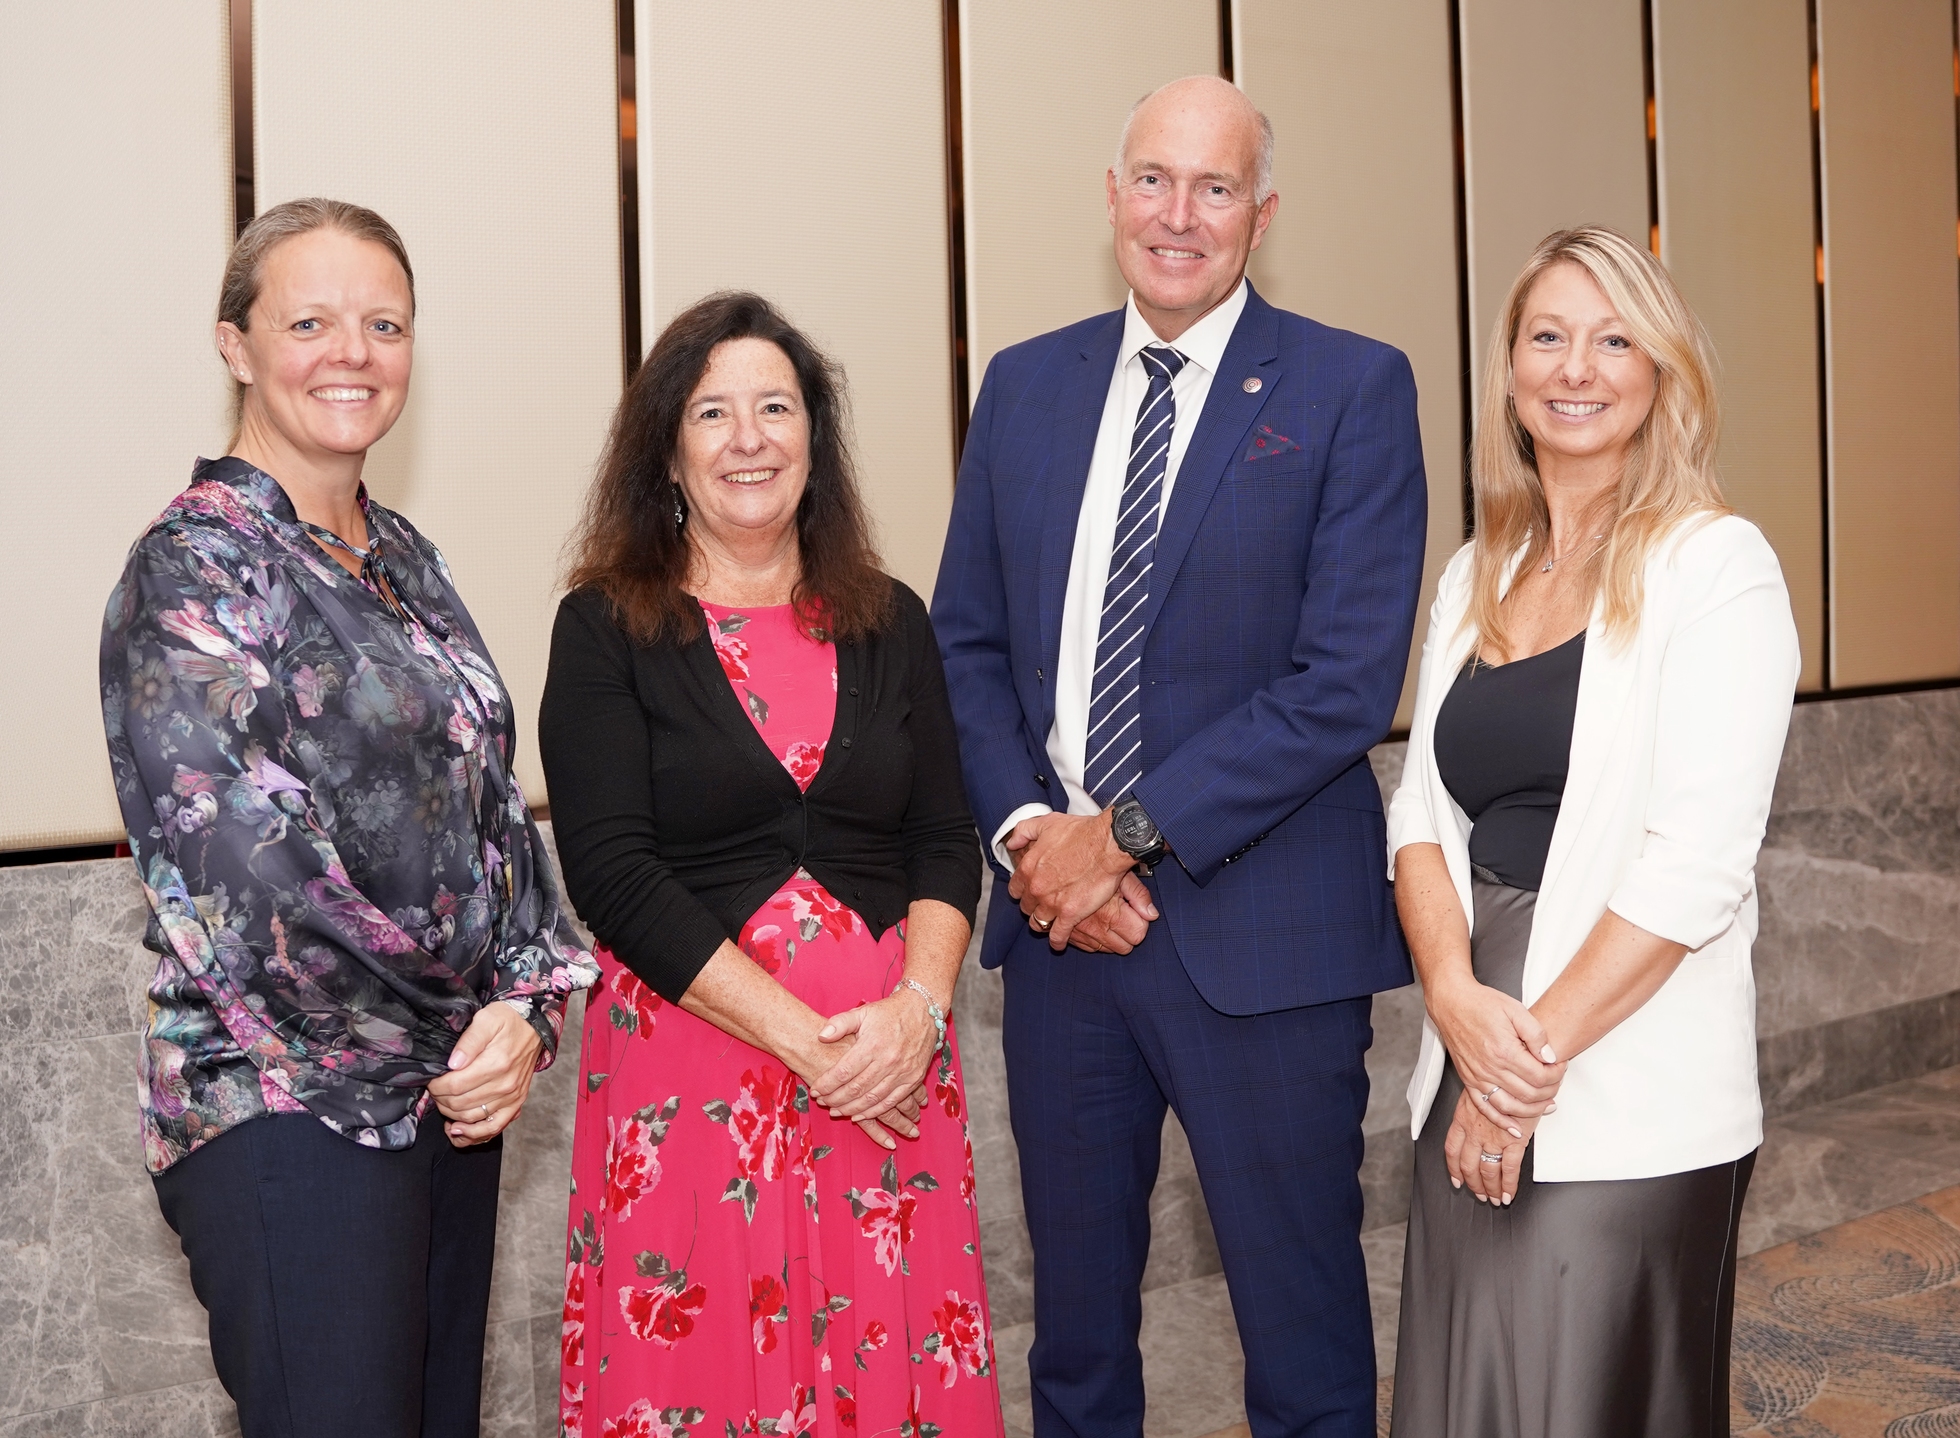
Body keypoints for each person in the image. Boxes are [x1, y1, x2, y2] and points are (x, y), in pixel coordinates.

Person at [932, 76, 1428, 1436]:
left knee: (1303, 1339)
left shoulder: (1352, 387)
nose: (1178, 215)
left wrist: (1122, 834)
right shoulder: (1026, 386)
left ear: (1261, 215)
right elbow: (965, 644)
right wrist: (1037, 834)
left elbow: (1343, 684)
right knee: (1075, 1343)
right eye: (1153, 179)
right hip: (1060, 947)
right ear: (1111, 198)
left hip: (1261, 945)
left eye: (1215, 189)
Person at [98, 198, 596, 1437]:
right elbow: (247, 876)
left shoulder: (403, 558)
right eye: (310, 320)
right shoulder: (193, 568)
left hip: (446, 1096)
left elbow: (492, 805)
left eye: (384, 322)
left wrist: (526, 1012)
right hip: (284, 1111)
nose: (353, 352)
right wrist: (468, 1028)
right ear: (235, 344)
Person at [540, 291, 999, 1438]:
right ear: (668, 452)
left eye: (776, 407)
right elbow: (609, 869)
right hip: (695, 1094)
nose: (749, 437)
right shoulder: (605, 627)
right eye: (712, 412)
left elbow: (944, 837)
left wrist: (915, 1015)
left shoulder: (890, 618)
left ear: (814, 440)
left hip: (889, 1084)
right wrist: (807, 1043)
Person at [1385, 226, 1800, 1437]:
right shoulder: (1476, 570)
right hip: (1467, 1050)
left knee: (1585, 1401)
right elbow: (1419, 810)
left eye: (1614, 338)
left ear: (1660, 370)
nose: (1577, 367)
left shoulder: (1714, 566)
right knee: (1470, 1399)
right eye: (1547, 335)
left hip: (1620, 1073)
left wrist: (1515, 1076)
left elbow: (1698, 861)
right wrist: (1457, 1003)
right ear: (1510, 369)